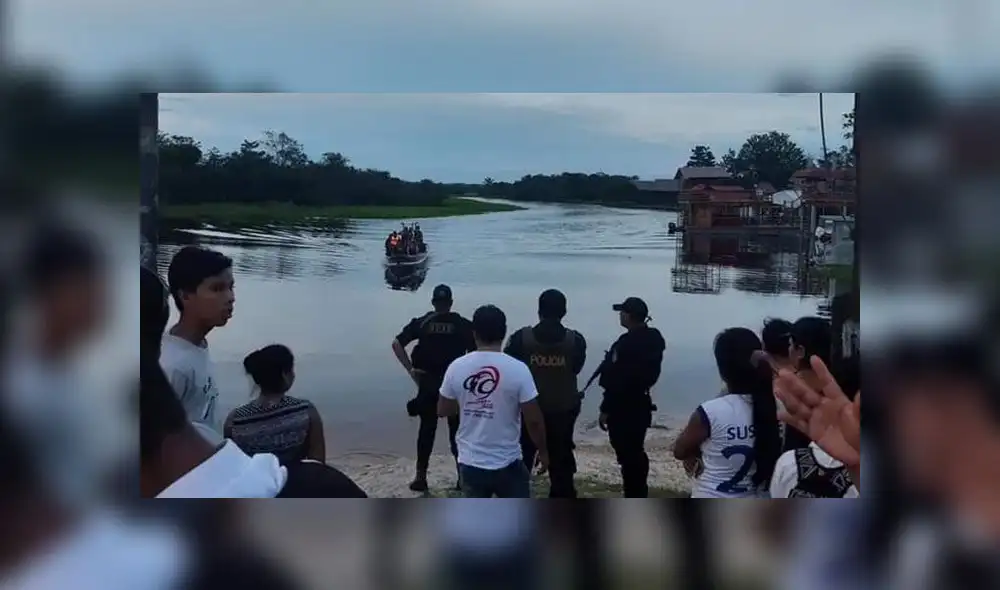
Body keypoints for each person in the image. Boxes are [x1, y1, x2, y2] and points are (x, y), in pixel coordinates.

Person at [141, 354, 367, 498]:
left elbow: (236, 466)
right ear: (286, 376)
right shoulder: (305, 411)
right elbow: (317, 461)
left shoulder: (236, 419)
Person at [3, 221, 111, 506]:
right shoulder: (24, 391)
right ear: (45, 294)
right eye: (88, 291)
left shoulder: (66, 370)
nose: (101, 305)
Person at [437, 304, 548, 498]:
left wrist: (469, 399)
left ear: (474, 333)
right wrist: (544, 451)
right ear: (504, 332)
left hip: (470, 462)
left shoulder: (456, 367)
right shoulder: (518, 369)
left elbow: (442, 409)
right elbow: (534, 420)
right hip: (509, 461)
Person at [672, 327, 782, 498]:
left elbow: (679, 451)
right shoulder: (776, 408)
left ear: (722, 369)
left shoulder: (710, 412)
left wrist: (695, 452)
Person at [392, 284, 476, 492]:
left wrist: (411, 370)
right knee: (457, 434)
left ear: (433, 303)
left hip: (428, 385)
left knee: (426, 431)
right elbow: (476, 353)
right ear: (451, 303)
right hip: (455, 386)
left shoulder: (423, 322)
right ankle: (462, 478)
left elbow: (396, 344)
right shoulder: (462, 324)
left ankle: (421, 477)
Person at [505, 288, 586, 498]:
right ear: (564, 311)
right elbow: (576, 368)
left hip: (527, 412)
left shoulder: (520, 339)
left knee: (521, 464)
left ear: (539, 310)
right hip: (563, 413)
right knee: (562, 468)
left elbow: (509, 370)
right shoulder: (576, 340)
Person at [161, 246, 234, 442]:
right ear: (185, 296)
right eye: (217, 288)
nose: (230, 297)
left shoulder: (198, 345)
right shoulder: (171, 365)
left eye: (231, 287)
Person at [597, 297, 665, 497]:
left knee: (627, 454)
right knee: (636, 450)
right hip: (642, 403)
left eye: (622, 312)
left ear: (629, 316)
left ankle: (633, 492)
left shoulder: (625, 344)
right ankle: (638, 490)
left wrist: (605, 409)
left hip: (622, 406)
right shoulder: (654, 339)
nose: (620, 315)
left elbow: (615, 380)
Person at [223, 345, 327, 466]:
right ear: (284, 374)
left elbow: (233, 467)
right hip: (298, 483)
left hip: (257, 484)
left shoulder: (236, 420)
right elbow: (317, 465)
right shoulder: (305, 411)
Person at [783, 316, 833, 452]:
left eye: (790, 345)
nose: (788, 350)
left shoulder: (791, 392)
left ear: (800, 351)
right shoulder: (840, 388)